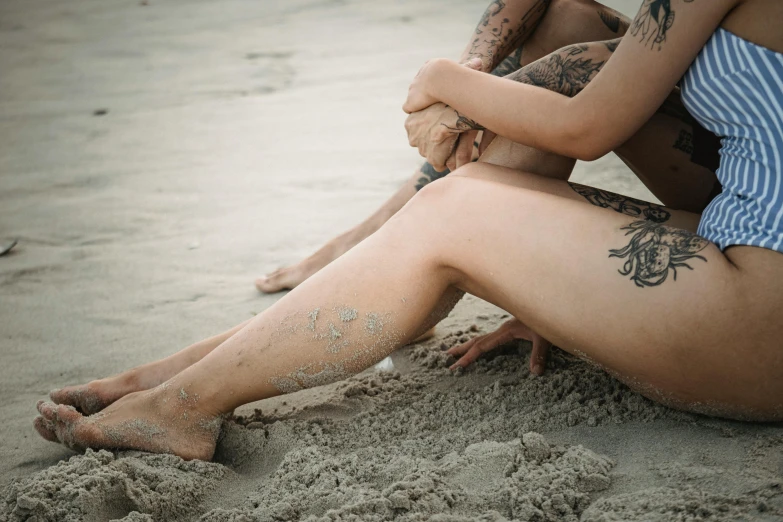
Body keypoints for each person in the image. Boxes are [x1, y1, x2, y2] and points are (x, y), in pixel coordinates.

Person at [35, 0, 783, 461]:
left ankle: (179, 413)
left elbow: (589, 127)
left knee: (455, 211)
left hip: (760, 316)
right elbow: (588, 60)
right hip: (747, 256)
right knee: (566, 78)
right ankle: (171, 376)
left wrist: (442, 80)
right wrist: (565, 290)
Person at [254, 0, 720, 295]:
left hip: (742, 179)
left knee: (553, 76)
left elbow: (594, 102)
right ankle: (389, 232)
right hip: (705, 115)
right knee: (566, 17)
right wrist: (471, 77)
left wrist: (455, 97)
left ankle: (401, 250)